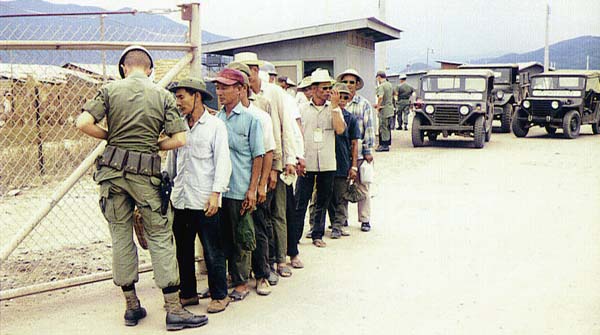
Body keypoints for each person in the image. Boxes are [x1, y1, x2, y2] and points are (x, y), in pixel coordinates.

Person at [76, 45, 207, 331]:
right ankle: (174, 310)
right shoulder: (161, 95)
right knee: (160, 237)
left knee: (120, 237)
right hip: (146, 178)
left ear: (124, 68)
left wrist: (111, 136)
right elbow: (180, 139)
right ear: (149, 69)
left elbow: (82, 122)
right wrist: (152, 145)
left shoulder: (110, 91)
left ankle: (132, 307)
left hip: (111, 177)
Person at [166, 77, 232, 314]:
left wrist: (216, 194)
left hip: (205, 200)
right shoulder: (179, 127)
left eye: (182, 96)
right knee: (182, 249)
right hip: (181, 199)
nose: (178, 101)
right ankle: (188, 293)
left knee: (212, 249)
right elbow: (172, 162)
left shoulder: (215, 127)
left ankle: (219, 295)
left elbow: (223, 163)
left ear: (197, 96)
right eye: (176, 97)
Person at [233, 52, 298, 280]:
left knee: (276, 213)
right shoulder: (234, 101)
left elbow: (283, 128)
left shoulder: (273, 93)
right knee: (257, 215)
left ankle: (280, 260)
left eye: (248, 69)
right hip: (246, 168)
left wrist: (281, 164)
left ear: (255, 69)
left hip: (273, 162)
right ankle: (260, 264)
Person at [213, 68, 265, 302]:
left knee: (241, 236)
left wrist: (253, 188)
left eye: (225, 87)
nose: (220, 91)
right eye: (218, 87)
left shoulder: (251, 119)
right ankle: (228, 278)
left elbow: (259, 156)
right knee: (222, 237)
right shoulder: (217, 119)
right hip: (221, 189)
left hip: (241, 187)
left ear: (240, 89)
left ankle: (242, 281)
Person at [291, 69, 345, 249]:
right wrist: (298, 157)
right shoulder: (302, 109)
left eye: (329, 88)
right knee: (301, 201)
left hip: (328, 162)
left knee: (323, 200)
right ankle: (295, 236)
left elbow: (339, 130)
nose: (327, 91)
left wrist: (336, 107)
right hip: (307, 161)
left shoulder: (334, 109)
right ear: (313, 89)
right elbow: (296, 134)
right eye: (323, 88)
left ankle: (317, 234)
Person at [237, 70, 277, 296]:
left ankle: (262, 275)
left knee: (259, 227)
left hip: (255, 182)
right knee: (236, 231)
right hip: (234, 185)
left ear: (243, 88)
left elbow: (268, 152)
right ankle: (237, 275)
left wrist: (261, 184)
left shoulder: (260, 117)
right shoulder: (223, 117)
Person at [336, 68, 375, 232]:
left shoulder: (363, 104)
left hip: (358, 153)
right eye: (345, 82)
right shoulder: (336, 103)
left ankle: (364, 219)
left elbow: (369, 128)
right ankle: (342, 218)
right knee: (342, 187)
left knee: (362, 186)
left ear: (357, 85)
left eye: (352, 82)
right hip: (341, 154)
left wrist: (367, 150)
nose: (348, 85)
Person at [374, 70, 394, 152]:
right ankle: (387, 143)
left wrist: (378, 106)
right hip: (389, 108)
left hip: (384, 109)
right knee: (388, 127)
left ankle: (384, 145)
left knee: (383, 127)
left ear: (379, 77)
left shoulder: (381, 86)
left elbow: (381, 97)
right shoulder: (389, 85)